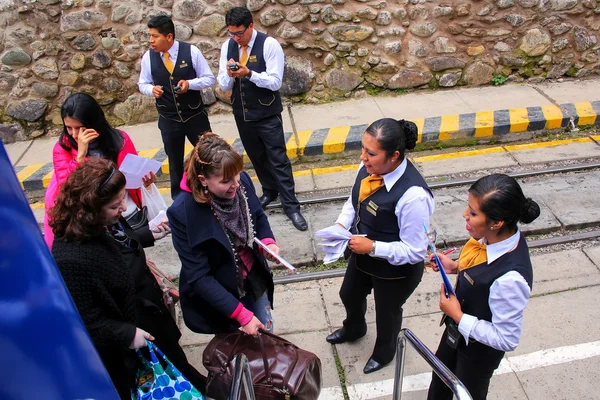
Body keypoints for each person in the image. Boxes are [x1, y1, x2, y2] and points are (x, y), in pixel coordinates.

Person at [50, 158, 205, 399]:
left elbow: (120, 243)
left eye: (122, 198)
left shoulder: (104, 219)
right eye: (115, 205)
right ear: (90, 208)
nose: (123, 207)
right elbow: (87, 322)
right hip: (129, 342)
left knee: (179, 365)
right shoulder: (70, 259)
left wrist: (148, 234)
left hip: (151, 316)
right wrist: (127, 334)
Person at [325, 118, 435, 374]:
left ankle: (385, 352)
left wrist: (373, 247)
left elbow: (416, 251)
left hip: (396, 270)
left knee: (387, 313)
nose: (363, 157)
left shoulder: (413, 196)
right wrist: (342, 225)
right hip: (364, 255)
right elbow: (353, 203)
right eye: (363, 149)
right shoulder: (368, 168)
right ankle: (355, 328)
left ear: (394, 156)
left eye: (371, 153)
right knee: (348, 294)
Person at [427, 174, 540, 400]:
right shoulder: (492, 239)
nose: (464, 215)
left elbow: (507, 338)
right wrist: (456, 266)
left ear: (496, 223)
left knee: (467, 394)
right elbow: (480, 266)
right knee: (439, 382)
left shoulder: (511, 279)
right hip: (455, 334)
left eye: (473, 213)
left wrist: (458, 316)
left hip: (477, 353)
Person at [168, 133, 278, 336]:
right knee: (236, 345)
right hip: (221, 292)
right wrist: (242, 315)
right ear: (203, 180)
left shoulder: (240, 180)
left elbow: (258, 217)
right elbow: (199, 276)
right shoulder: (182, 212)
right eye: (226, 181)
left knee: (265, 331)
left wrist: (268, 242)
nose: (236, 185)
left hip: (253, 275)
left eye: (237, 176)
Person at [217, 6, 307, 231]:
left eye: (240, 33)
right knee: (256, 156)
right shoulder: (227, 46)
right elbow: (223, 84)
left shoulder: (269, 44)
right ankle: (269, 190)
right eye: (232, 34)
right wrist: (229, 75)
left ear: (250, 26)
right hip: (243, 114)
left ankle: (291, 205)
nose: (236, 38)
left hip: (267, 113)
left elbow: (276, 82)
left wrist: (250, 73)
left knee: (278, 158)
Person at [43, 93, 168, 249]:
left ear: (94, 123)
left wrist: (145, 182)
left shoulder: (120, 140)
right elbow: (66, 188)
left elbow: (132, 174)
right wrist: (80, 156)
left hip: (123, 211)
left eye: (80, 128)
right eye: (69, 128)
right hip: (93, 217)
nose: (75, 134)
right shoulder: (63, 149)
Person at [138, 15, 216, 199]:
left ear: (169, 37)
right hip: (168, 119)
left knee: (208, 155)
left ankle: (212, 191)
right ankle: (179, 199)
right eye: (150, 36)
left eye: (155, 36)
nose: (151, 41)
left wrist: (190, 84)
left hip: (195, 116)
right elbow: (142, 83)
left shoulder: (192, 52)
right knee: (174, 162)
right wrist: (151, 90)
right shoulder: (148, 58)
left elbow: (208, 78)